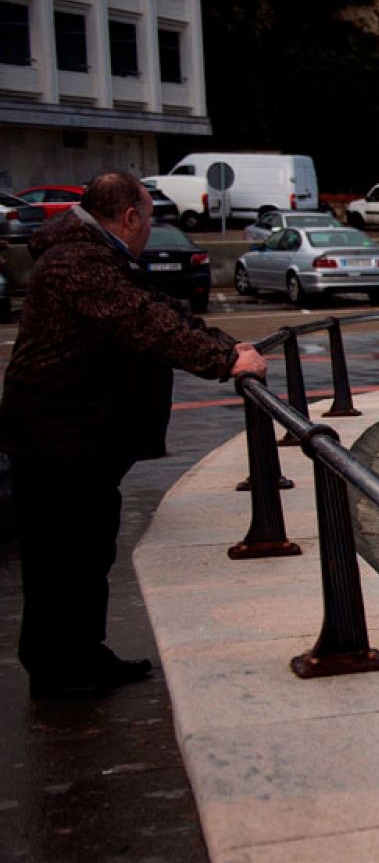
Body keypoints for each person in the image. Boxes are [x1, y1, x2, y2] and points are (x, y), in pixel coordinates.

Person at [0, 172, 267, 700]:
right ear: (128, 218)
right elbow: (145, 323)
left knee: (86, 551)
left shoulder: (94, 255)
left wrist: (226, 343)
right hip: (56, 442)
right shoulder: (79, 263)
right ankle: (59, 673)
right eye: (148, 218)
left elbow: (163, 312)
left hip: (79, 440)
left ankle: (84, 655)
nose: (148, 228)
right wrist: (224, 360)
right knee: (60, 560)